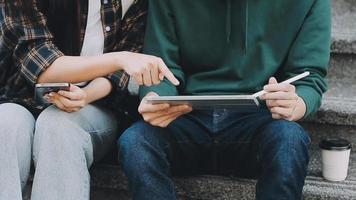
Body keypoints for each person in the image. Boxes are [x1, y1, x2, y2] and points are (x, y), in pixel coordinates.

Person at [118, 0, 331, 199]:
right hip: (186, 114)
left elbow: (309, 75)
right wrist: (155, 97)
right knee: (136, 142)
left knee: (290, 141)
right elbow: (161, 66)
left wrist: (298, 103)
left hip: (259, 118)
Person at [0, 0, 179, 199]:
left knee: (59, 125)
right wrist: (119, 58)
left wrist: (86, 95)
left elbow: (119, 74)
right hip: (20, 99)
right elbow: (41, 64)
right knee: (5, 124)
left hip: (95, 107)